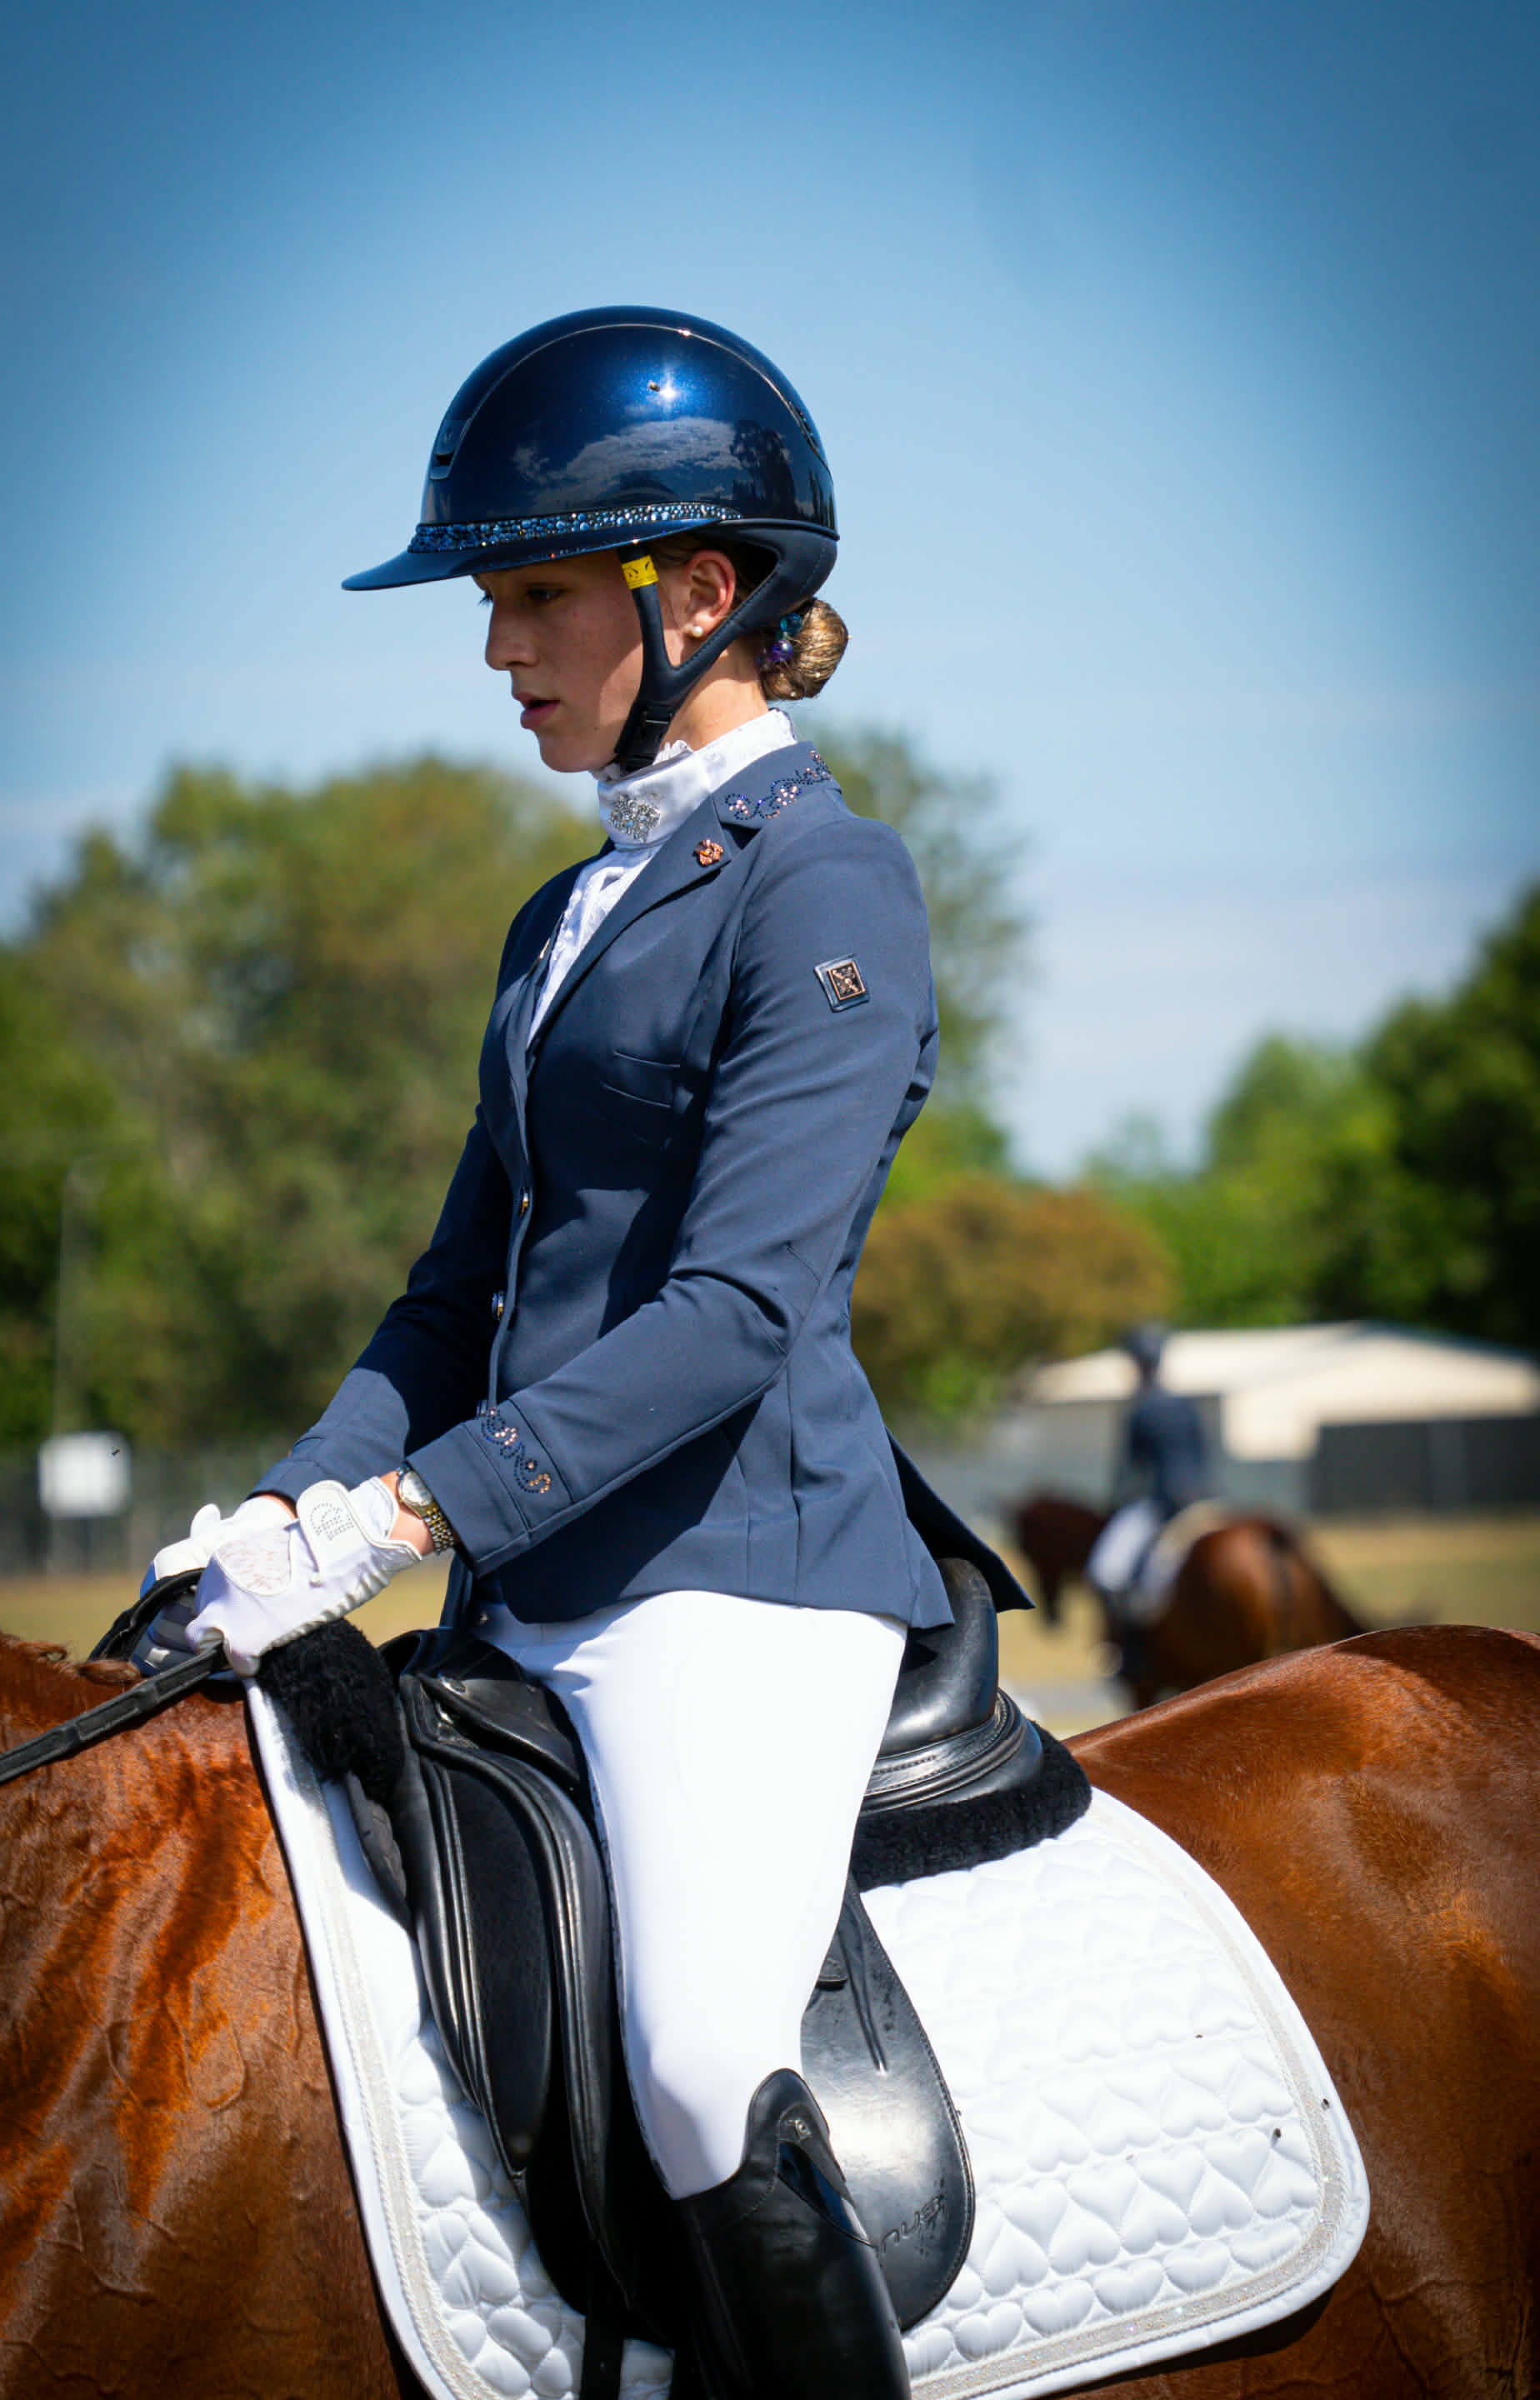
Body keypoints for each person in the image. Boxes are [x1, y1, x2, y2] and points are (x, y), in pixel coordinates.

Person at [139, 307, 967, 2398]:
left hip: (735, 1585)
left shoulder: (823, 880)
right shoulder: (560, 916)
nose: (496, 649)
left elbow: (736, 1314)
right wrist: (294, 1497)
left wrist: (412, 1513)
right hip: (534, 1581)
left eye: (528, 597)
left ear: (701, 593)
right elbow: (454, 1292)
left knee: (699, 2066)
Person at [1085, 1322, 1208, 1647]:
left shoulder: (1139, 1410)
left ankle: (1132, 1648)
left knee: (1106, 1571)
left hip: (1159, 1503)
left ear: (1137, 1364)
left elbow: (1131, 1470)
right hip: (1202, 1499)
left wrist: (1114, 1504)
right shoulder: (1185, 1405)